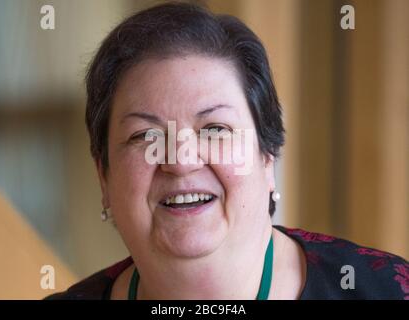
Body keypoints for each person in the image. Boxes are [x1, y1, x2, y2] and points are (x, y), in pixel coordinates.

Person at [46, 2, 408, 300]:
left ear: (268, 156)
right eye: (146, 136)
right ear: (103, 175)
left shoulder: (387, 291)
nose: (181, 161)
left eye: (214, 129)